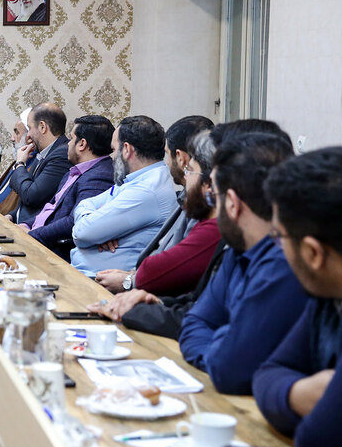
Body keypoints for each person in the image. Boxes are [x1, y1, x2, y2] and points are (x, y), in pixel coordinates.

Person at [90, 119, 295, 338]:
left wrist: (136, 302)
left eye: (192, 171)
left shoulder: (272, 259)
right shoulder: (239, 247)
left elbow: (224, 342)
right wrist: (153, 305)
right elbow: (201, 307)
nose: (188, 177)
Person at [178, 133, 308, 395]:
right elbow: (194, 323)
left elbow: (230, 370)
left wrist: (225, 344)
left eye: (213, 198)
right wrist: (227, 342)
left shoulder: (282, 264)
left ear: (232, 204)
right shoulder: (237, 250)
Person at [253, 148, 342, 447]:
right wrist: (299, 393)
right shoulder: (327, 294)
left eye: (279, 237)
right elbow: (268, 373)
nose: (277, 248)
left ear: (313, 253)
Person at [95, 115, 214, 293]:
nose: (166, 163)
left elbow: (181, 267)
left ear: (181, 158)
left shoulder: (203, 206)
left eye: (192, 170)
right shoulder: (184, 196)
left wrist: (129, 282)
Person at [70, 116, 178, 275]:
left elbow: (81, 233)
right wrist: (97, 227)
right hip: (85, 273)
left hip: (97, 281)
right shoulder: (135, 179)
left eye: (114, 150)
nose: (112, 157)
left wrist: (96, 228)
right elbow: (84, 204)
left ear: (127, 149)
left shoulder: (146, 190)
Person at [19, 115, 114, 259]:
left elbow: (74, 221)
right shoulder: (76, 170)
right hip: (35, 237)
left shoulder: (100, 176)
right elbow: (52, 208)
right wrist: (26, 225)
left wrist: (31, 235)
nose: (68, 144)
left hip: (50, 251)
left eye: (71, 139)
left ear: (82, 144)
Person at [5, 103, 72, 225]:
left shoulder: (61, 155)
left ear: (42, 127)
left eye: (30, 128)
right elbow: (28, 200)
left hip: (32, 230)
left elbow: (31, 196)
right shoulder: (46, 151)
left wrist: (20, 163)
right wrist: (12, 216)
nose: (28, 135)